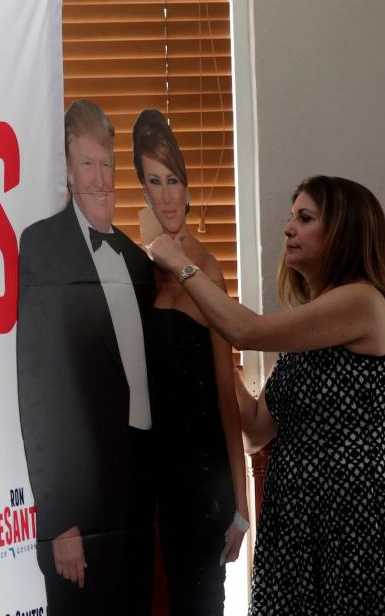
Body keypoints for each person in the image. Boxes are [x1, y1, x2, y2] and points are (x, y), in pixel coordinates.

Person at [147, 175, 385, 613]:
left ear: (343, 233)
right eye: (290, 218)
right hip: (293, 516)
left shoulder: (364, 301)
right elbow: (253, 430)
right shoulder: (307, 331)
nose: (288, 228)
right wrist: (209, 345)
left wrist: (182, 264)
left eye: (304, 218)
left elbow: (246, 330)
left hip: (352, 517)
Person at [17, 100, 155, 615]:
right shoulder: (42, 246)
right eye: (88, 165)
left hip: (139, 494)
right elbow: (37, 392)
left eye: (107, 165)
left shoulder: (139, 260)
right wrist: (59, 521)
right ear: (69, 173)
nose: (101, 179)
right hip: (80, 511)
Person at [131, 109, 249, 615]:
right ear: (143, 188)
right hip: (150, 486)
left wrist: (243, 506)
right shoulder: (138, 270)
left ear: (187, 183)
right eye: (154, 181)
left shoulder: (208, 270)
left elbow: (227, 397)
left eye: (173, 179)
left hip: (204, 487)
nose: (166, 195)